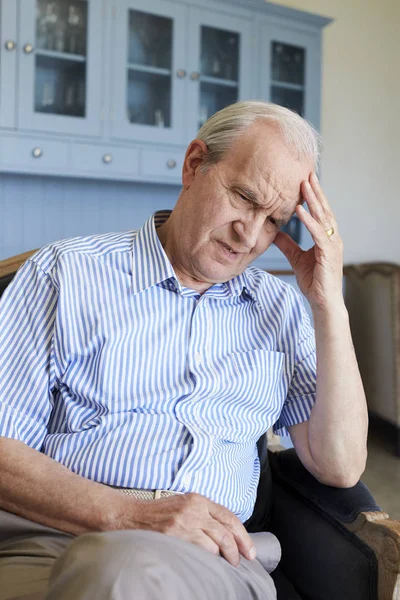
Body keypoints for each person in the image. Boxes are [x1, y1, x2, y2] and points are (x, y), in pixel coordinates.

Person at [0, 101, 368, 600]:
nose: (249, 233)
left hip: (212, 564)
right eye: (243, 197)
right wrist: (129, 514)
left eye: (273, 220)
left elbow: (340, 464)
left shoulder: (280, 308)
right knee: (110, 570)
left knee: (120, 574)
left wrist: (329, 304)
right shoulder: (64, 274)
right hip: (49, 539)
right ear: (195, 164)